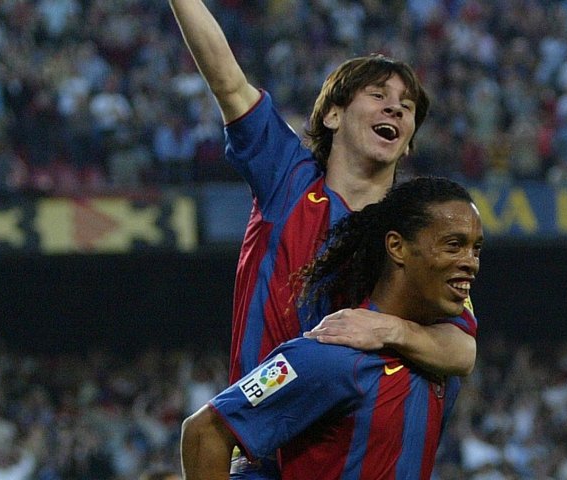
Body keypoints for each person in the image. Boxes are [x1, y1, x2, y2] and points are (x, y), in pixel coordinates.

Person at [169, 1, 478, 476]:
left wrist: (389, 329)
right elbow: (227, 81)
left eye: (407, 105)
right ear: (332, 115)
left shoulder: (415, 241)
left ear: (410, 140)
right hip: (263, 439)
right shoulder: (287, 180)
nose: (395, 105)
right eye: (378, 95)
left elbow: (462, 349)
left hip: (350, 437)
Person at [181, 176, 485, 480]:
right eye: (454, 246)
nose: (470, 262)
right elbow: (204, 433)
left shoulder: (441, 356)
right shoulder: (328, 355)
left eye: (475, 249)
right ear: (397, 247)